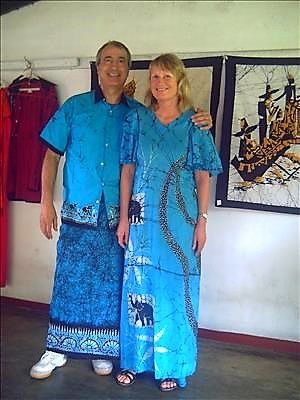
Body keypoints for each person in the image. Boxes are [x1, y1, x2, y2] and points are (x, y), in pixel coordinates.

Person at [29, 41, 213, 380]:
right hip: (78, 210)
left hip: (122, 217)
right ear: (98, 67)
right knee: (69, 280)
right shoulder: (74, 107)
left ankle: (103, 351)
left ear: (128, 69)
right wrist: (44, 202)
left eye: (122, 61)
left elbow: (169, 127)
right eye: (107, 60)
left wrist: (203, 118)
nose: (114, 66)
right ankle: (56, 350)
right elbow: (51, 156)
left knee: (113, 285)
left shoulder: (138, 115)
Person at [116, 53, 223, 392]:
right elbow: (127, 171)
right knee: (138, 287)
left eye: (166, 77)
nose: (159, 83)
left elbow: (203, 176)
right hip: (141, 220)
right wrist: (123, 219)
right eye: (155, 77)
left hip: (181, 221)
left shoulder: (196, 124)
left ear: (179, 82)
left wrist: (202, 221)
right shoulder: (137, 120)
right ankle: (134, 361)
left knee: (177, 291)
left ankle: (171, 366)